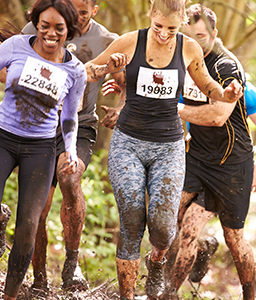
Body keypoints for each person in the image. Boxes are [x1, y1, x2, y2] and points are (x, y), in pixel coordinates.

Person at [84, 0, 243, 298]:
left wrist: (225, 93)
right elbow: (89, 71)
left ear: (181, 23)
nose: (164, 34)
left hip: (168, 146)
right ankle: (127, 295)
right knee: (131, 217)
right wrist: (110, 67)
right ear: (151, 17)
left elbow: (208, 85)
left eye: (172, 28)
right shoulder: (130, 41)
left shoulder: (188, 48)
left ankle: (156, 261)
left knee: (162, 227)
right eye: (158, 27)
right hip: (128, 141)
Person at [0, 0, 86, 298]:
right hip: (3, 137)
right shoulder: (16, 46)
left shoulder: (75, 70)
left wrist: (70, 150)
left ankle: (10, 295)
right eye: (44, 26)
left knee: (29, 226)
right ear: (36, 23)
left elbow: (70, 115)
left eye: (58, 28)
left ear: (69, 29)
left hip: (41, 148)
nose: (50, 33)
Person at [166, 4, 256, 299]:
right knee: (174, 222)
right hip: (198, 159)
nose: (194, 42)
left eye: (201, 35)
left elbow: (221, 117)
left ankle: (249, 295)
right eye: (188, 36)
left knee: (234, 237)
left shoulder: (227, 68)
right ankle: (171, 290)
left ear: (214, 34)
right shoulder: (179, 61)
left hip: (232, 165)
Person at [16, 0, 125, 292]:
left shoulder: (107, 40)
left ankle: (71, 264)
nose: (75, 17)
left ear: (95, 8)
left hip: (80, 124)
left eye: (83, 11)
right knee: (39, 206)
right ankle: (39, 278)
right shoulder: (40, 27)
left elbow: (126, 79)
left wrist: (120, 107)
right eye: (70, 9)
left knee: (69, 176)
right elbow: (11, 66)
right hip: (39, 125)